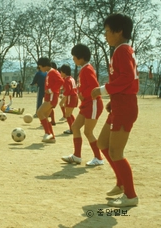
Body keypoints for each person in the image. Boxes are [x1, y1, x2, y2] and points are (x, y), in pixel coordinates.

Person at [91, 13, 139, 207]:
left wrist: (102, 90)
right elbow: (126, 79)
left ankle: (131, 196)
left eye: (107, 31)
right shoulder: (121, 49)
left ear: (119, 32)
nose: (105, 35)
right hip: (120, 104)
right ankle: (120, 183)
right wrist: (113, 99)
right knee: (103, 143)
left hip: (125, 107)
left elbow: (127, 78)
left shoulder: (121, 50)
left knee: (116, 151)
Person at [61, 44, 104, 166]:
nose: (73, 58)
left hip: (93, 103)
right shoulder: (84, 69)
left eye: (74, 56)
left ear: (81, 57)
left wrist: (84, 95)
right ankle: (77, 156)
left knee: (88, 132)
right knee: (75, 127)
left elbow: (94, 87)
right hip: (87, 104)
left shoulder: (87, 69)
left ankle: (98, 158)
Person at [36, 57, 64, 143]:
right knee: (45, 116)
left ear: (43, 66)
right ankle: (52, 137)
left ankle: (48, 133)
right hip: (50, 97)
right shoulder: (50, 72)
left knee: (39, 112)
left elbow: (61, 81)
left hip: (52, 98)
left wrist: (51, 90)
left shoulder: (53, 72)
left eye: (40, 67)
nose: (40, 69)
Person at [59, 64, 78, 134]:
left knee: (67, 114)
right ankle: (75, 127)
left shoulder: (66, 80)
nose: (60, 73)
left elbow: (68, 90)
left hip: (71, 97)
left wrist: (62, 95)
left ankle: (72, 129)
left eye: (61, 72)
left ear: (64, 72)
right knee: (69, 113)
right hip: (74, 96)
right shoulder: (71, 78)